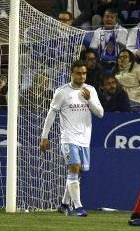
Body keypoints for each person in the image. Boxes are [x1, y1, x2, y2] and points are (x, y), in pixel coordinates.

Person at [39, 59, 105, 218]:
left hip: (84, 138)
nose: (82, 76)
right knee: (74, 167)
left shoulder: (90, 90)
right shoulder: (62, 92)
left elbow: (100, 114)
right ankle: (78, 206)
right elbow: (51, 114)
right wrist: (44, 136)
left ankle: (64, 204)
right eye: (78, 73)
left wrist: (89, 99)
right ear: (71, 74)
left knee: (77, 173)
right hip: (68, 138)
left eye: (84, 73)